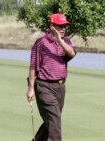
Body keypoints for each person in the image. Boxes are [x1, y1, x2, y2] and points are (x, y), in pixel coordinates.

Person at [26, 13, 76, 141]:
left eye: (65, 26)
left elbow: (71, 54)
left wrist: (59, 40)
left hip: (60, 87)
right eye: (60, 26)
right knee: (54, 121)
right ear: (52, 26)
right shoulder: (41, 43)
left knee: (52, 120)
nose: (63, 28)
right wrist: (31, 88)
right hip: (44, 86)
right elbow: (33, 66)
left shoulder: (67, 42)